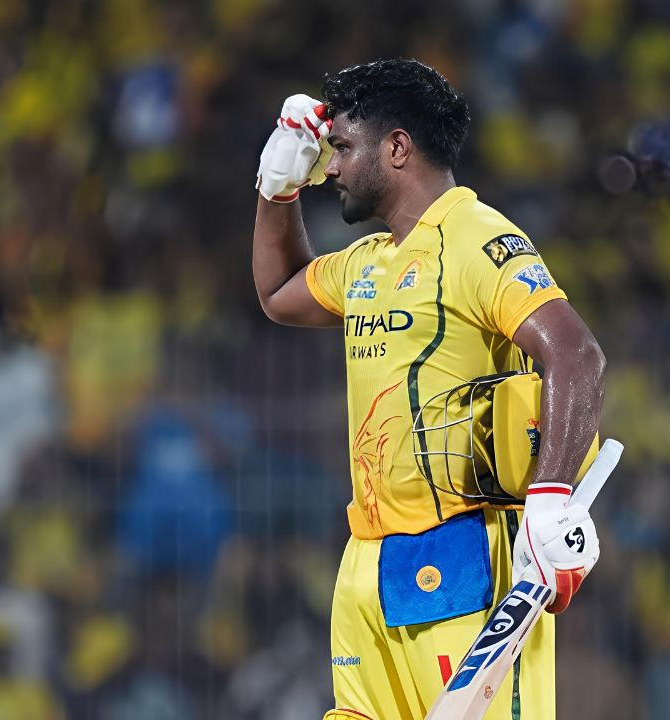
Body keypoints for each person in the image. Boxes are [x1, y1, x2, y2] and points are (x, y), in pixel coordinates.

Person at [252, 58, 607, 719]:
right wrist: (276, 192)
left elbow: (576, 354)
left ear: (397, 147)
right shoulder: (369, 261)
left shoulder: (477, 239)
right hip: (367, 564)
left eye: (342, 148)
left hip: (465, 559)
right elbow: (277, 294)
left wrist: (551, 499)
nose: (330, 168)